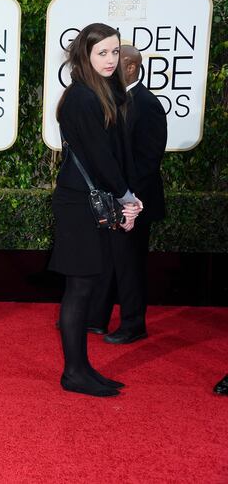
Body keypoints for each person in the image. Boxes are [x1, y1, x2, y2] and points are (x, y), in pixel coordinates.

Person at [48, 23, 143, 398]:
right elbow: (99, 156)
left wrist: (126, 193)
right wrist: (126, 196)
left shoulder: (99, 92)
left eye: (115, 52)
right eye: (102, 52)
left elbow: (114, 150)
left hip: (91, 200)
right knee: (80, 286)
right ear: (84, 55)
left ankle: (82, 367)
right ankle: (74, 372)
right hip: (79, 202)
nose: (110, 59)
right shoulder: (81, 98)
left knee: (86, 285)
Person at [89, 45, 167, 344]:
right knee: (109, 259)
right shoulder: (114, 98)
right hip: (114, 196)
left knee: (130, 265)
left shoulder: (147, 104)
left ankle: (134, 325)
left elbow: (149, 159)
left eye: (115, 59)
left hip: (136, 199)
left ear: (131, 66)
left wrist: (127, 197)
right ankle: (96, 318)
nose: (108, 63)